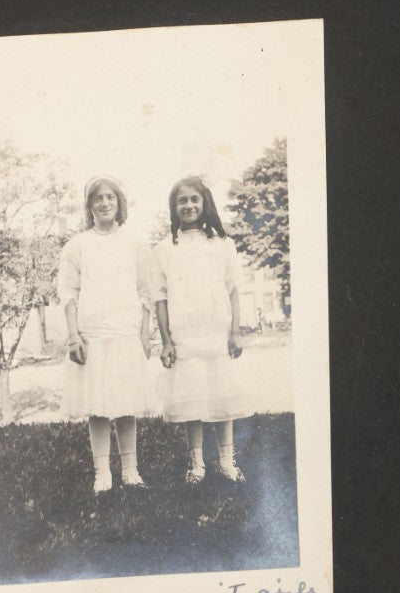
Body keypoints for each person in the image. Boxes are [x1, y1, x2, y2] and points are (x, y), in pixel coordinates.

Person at [57, 175, 157, 494]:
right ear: (89, 206)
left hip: (126, 333)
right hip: (92, 335)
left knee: (126, 404)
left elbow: (146, 292)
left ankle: (130, 470)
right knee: (97, 407)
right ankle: (103, 473)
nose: (104, 203)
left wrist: (144, 332)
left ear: (119, 203)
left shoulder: (136, 244)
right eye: (98, 198)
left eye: (110, 197)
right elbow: (68, 292)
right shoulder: (78, 245)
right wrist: (74, 336)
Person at [153, 176, 254, 484]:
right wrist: (166, 341)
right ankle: (196, 464)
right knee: (191, 398)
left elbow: (233, 289)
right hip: (185, 334)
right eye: (182, 201)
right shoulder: (164, 249)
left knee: (223, 396)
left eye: (194, 199)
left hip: (216, 331)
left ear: (205, 203)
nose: (189, 205)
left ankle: (226, 461)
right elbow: (160, 298)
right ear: (174, 208)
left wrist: (234, 331)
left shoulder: (223, 245)